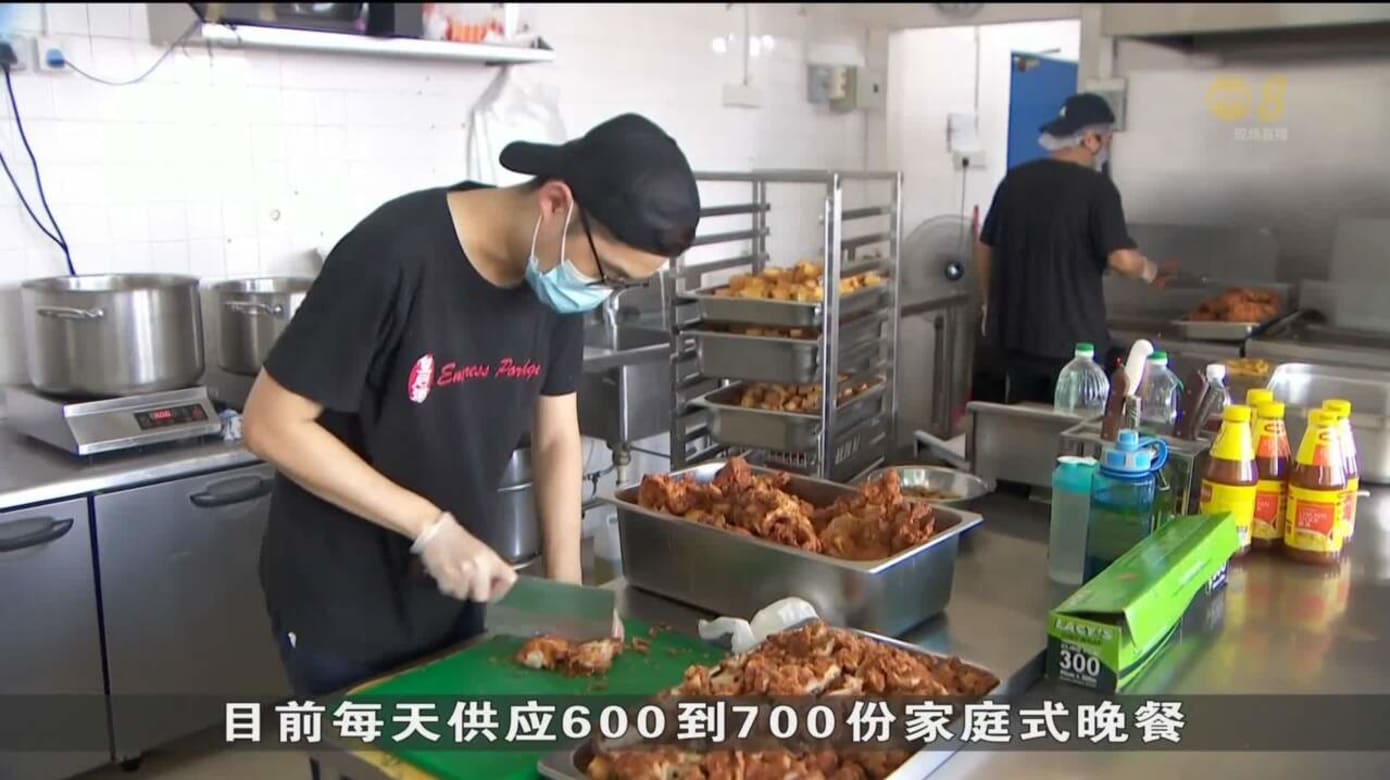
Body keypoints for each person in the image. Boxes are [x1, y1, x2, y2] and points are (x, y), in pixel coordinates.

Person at [241, 113, 700, 703]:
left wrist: (568, 598)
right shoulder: (393, 254)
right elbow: (270, 423)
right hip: (342, 595)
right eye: (609, 274)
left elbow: (557, 436)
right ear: (555, 204)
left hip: (451, 589)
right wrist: (429, 527)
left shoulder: (553, 275)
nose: (602, 293)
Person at [973, 93, 1172, 405]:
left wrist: (990, 305)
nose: (1107, 147)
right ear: (1090, 140)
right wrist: (1150, 270)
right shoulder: (1097, 189)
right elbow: (1121, 259)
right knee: (1071, 428)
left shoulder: (1015, 180)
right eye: (1107, 138)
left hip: (1012, 340)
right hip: (1072, 348)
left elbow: (985, 247)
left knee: (1018, 422)